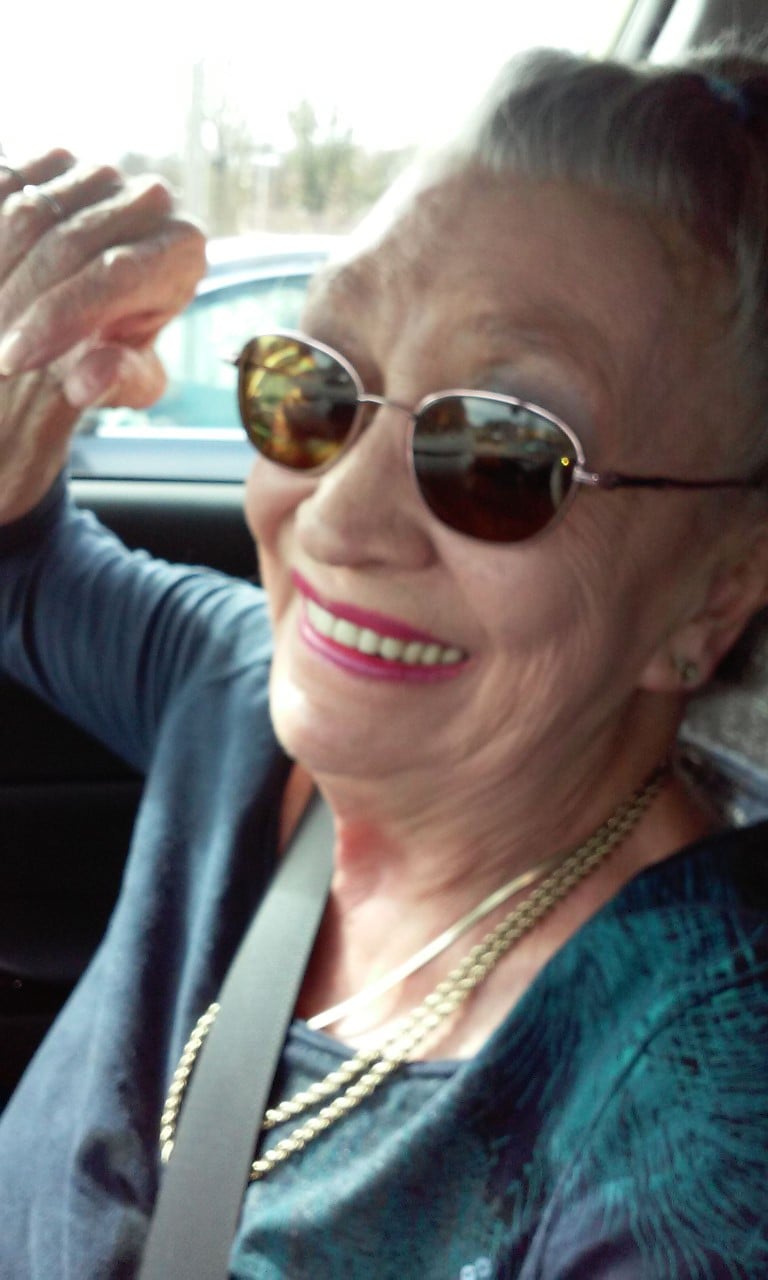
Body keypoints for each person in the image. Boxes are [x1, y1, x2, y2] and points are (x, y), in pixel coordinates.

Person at [1, 37, 768, 1280]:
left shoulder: (707, 1121)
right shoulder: (238, 690)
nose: (338, 517)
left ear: (719, 582)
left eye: (503, 452)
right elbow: (24, 568)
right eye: (315, 386)